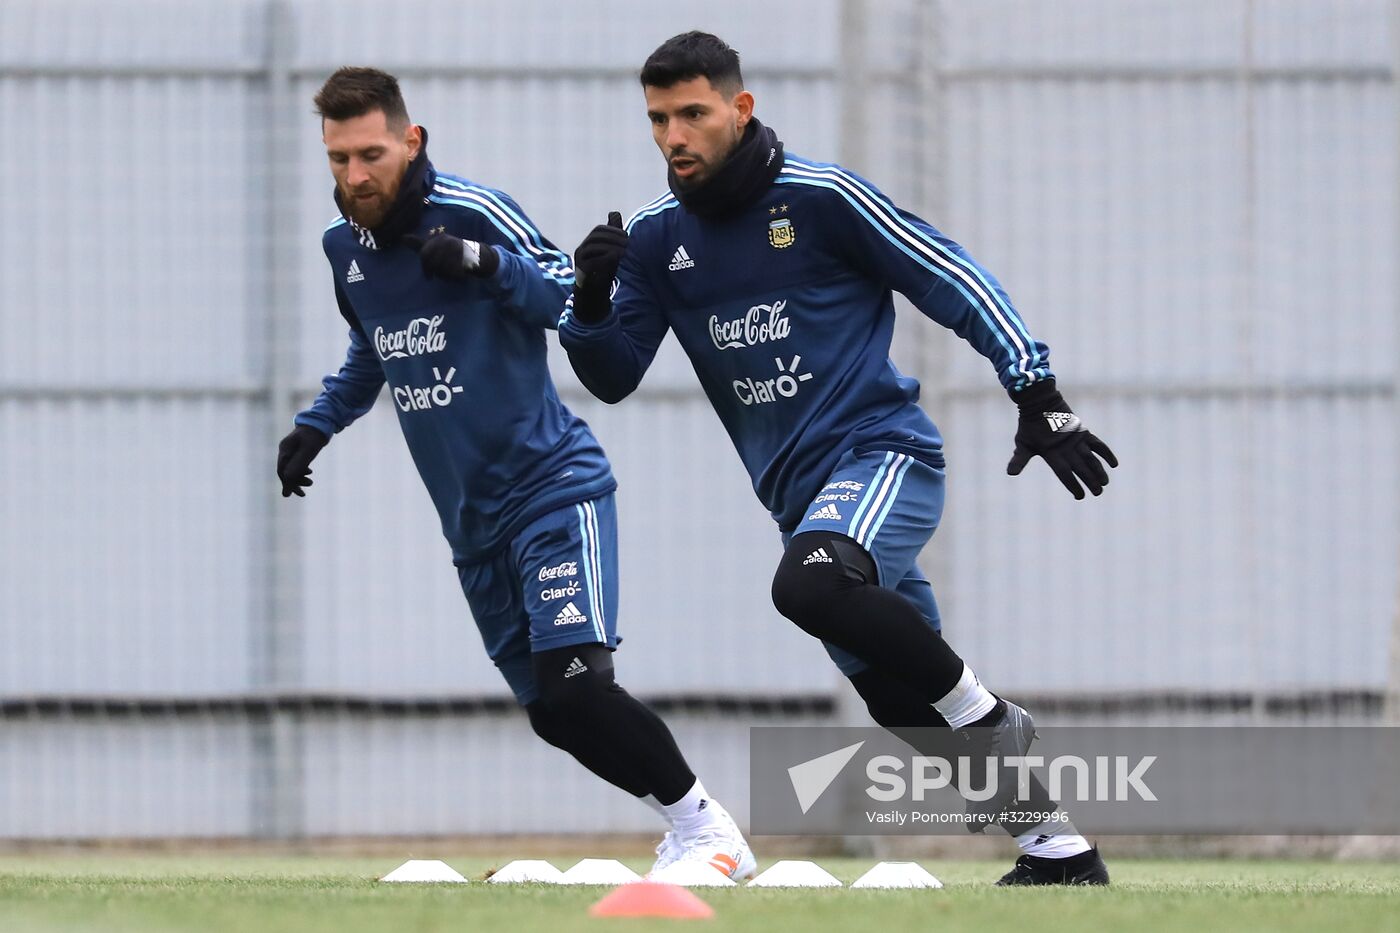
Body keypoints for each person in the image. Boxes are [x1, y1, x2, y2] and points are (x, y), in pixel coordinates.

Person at [558, 33, 1116, 886]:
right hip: (799, 500)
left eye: (694, 114)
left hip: (883, 458)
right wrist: (590, 300)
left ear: (739, 111)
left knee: (808, 587)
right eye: (659, 118)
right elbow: (612, 374)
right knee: (895, 692)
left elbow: (951, 275)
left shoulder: (820, 199)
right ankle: (1058, 848)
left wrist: (1035, 390)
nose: (675, 135)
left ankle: (993, 715)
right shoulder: (652, 237)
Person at [277, 66, 754, 880]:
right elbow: (376, 348)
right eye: (338, 160)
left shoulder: (473, 210)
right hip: (471, 523)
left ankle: (710, 831)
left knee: (576, 685)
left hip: (552, 491)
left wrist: (484, 264)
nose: (355, 177)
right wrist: (316, 424)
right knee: (552, 715)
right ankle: (685, 830)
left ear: (411, 140)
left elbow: (571, 297)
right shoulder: (341, 249)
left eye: (370, 154)